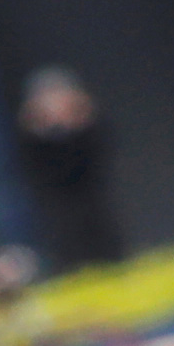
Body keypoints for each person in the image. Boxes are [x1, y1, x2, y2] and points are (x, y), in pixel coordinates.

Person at [16, 68, 120, 274]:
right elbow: (33, 162)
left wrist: (79, 120)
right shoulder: (33, 135)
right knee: (69, 238)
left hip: (91, 195)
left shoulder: (84, 124)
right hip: (57, 201)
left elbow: (101, 147)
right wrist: (41, 129)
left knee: (101, 233)